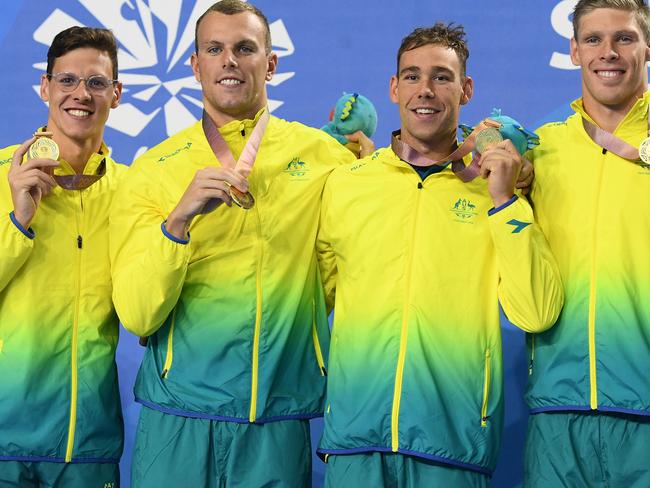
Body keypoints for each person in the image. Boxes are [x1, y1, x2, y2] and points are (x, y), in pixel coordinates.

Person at [109, 1, 357, 486]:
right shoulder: (153, 170)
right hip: (177, 416)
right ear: (195, 65)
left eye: (245, 48)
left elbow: (345, 266)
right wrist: (177, 222)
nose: (229, 60)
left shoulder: (326, 157)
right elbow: (138, 315)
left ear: (270, 63)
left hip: (277, 417)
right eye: (214, 48)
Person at [315, 23, 563, 487]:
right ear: (393, 88)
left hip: (453, 446)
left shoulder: (499, 189)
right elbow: (309, 303)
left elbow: (536, 312)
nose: (424, 90)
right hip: (354, 445)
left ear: (466, 89)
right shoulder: (347, 184)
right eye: (411, 76)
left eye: (442, 77)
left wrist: (505, 203)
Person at [525, 1, 650, 486]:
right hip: (558, 412)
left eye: (624, 38)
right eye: (593, 40)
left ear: (646, 46)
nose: (609, 52)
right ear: (574, 51)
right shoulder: (539, 150)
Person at [0, 27, 125, 487]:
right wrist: (17, 221)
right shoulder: (0, 174)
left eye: (96, 82)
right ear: (45, 87)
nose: (81, 94)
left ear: (117, 93)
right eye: (67, 80)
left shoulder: (132, 191)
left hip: (87, 445)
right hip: (4, 443)